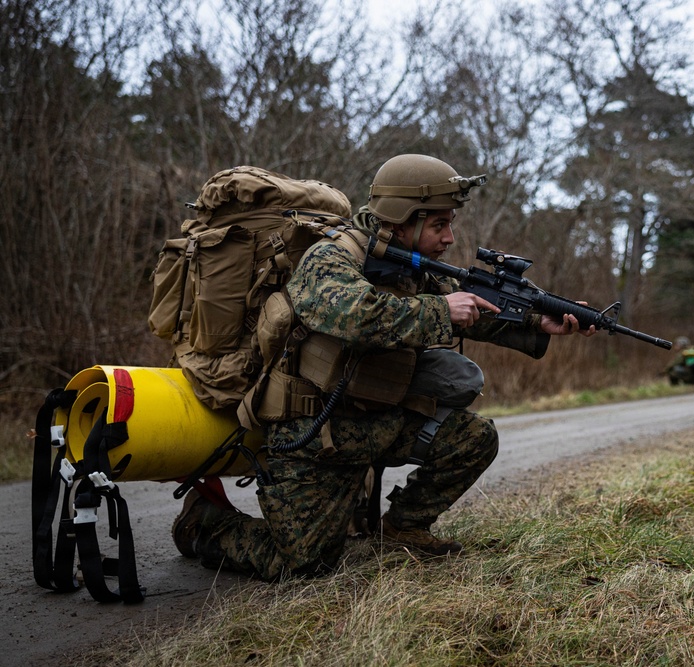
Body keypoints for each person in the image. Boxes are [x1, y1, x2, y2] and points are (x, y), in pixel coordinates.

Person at [170, 154, 596, 580]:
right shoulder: (331, 257)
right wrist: (441, 311)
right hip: (315, 434)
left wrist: (535, 321)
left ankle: (403, 526)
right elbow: (355, 314)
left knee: (475, 438)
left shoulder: (411, 264)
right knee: (301, 564)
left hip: (380, 420)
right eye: (438, 225)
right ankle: (204, 522)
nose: (449, 237)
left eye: (450, 224)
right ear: (400, 219)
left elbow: (471, 310)